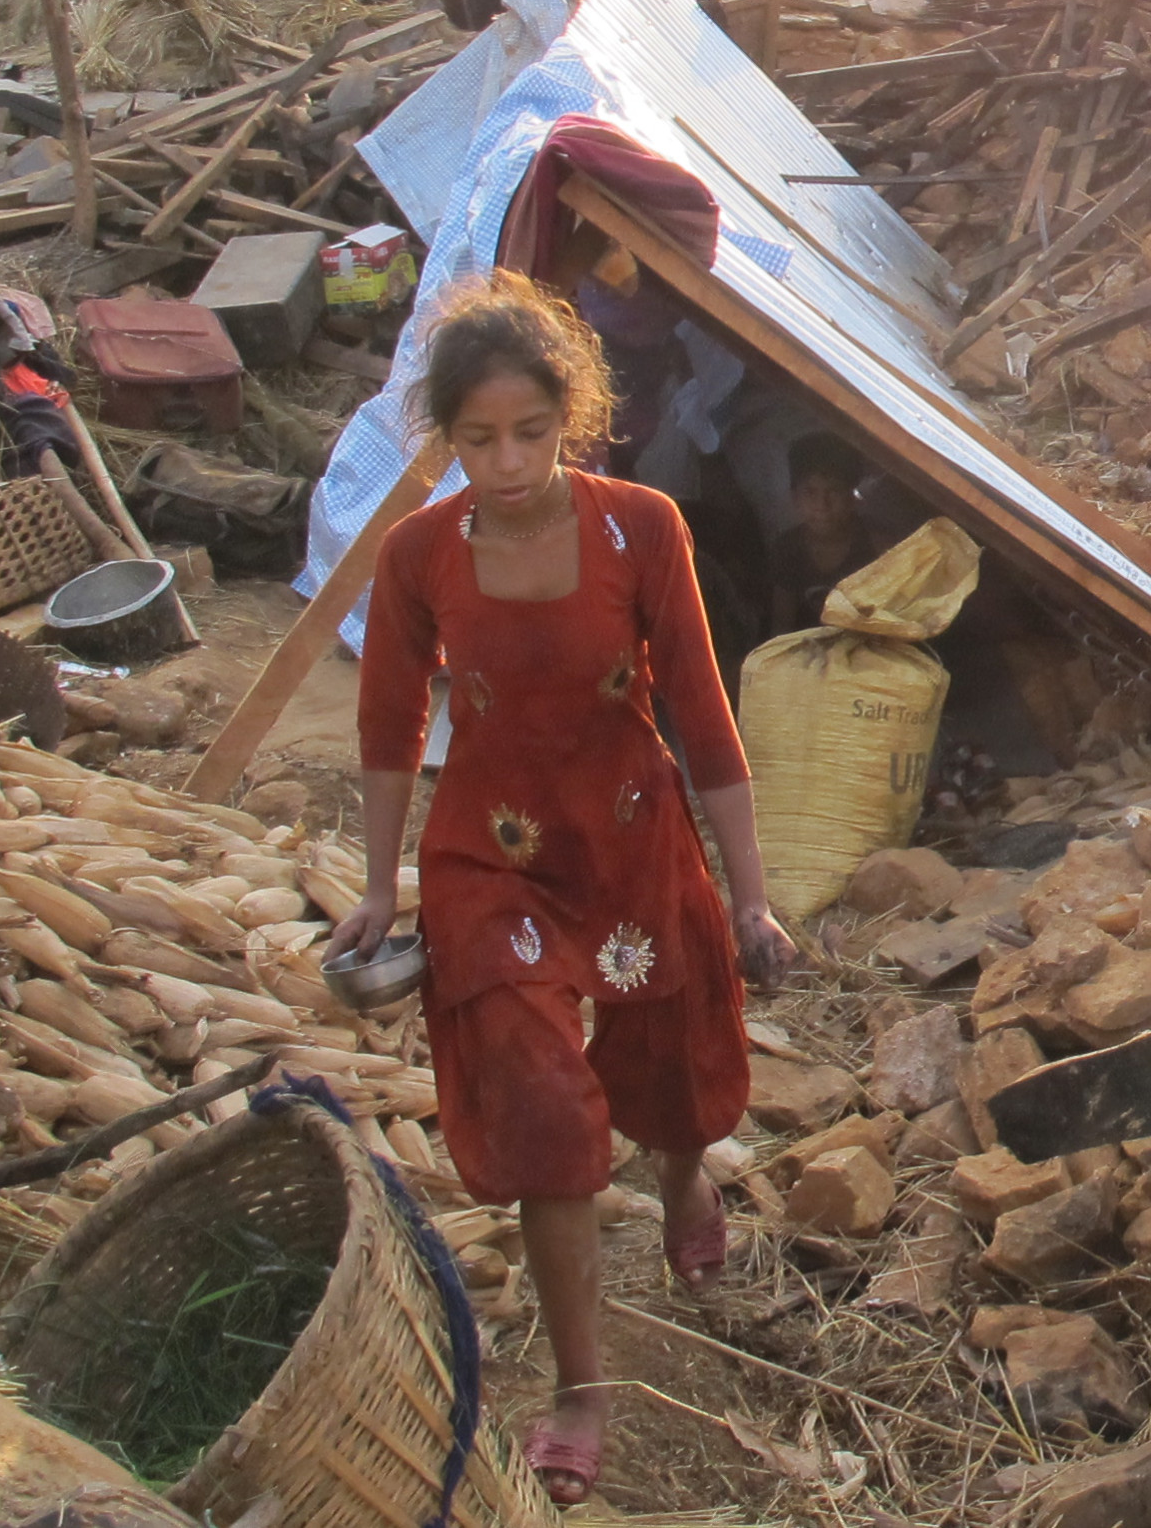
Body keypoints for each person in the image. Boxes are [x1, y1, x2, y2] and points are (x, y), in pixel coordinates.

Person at [326, 271, 795, 1505]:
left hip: (630, 835)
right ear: (446, 436)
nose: (507, 461)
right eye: (477, 440)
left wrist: (750, 899)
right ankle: (580, 1391)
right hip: (491, 855)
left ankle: (686, 1175)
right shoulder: (421, 553)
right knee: (541, 1103)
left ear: (569, 418)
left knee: (670, 1076)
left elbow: (700, 711)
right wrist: (378, 890)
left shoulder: (644, 527)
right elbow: (386, 729)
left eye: (530, 433)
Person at [766, 431, 876, 639]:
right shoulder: (787, 549)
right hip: (810, 652)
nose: (822, 506)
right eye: (810, 492)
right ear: (795, 497)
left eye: (833, 491)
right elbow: (782, 625)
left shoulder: (878, 546)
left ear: (852, 498)